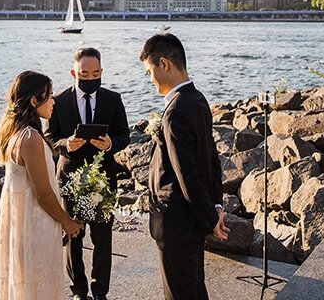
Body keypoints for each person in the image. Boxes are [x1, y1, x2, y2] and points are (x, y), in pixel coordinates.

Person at [140, 33, 228, 300]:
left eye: (149, 71)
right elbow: (212, 159)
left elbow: (185, 174)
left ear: (164, 64)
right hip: (190, 222)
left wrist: (211, 219)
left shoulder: (176, 110)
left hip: (176, 224)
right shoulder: (198, 99)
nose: (149, 79)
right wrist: (215, 205)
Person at [0, 71, 84, 300]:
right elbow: (43, 193)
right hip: (35, 224)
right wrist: (67, 222)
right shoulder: (30, 139)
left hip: (23, 222)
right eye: (49, 95)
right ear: (34, 100)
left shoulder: (15, 133)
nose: (54, 101)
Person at [46, 47, 131, 300]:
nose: (91, 77)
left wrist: (110, 144)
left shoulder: (113, 99)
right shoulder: (59, 101)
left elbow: (124, 135)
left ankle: (100, 292)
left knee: (103, 238)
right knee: (73, 235)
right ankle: (78, 291)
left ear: (102, 72)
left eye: (95, 73)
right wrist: (65, 145)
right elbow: (50, 137)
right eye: (85, 73)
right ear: (75, 72)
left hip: (103, 178)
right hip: (70, 177)